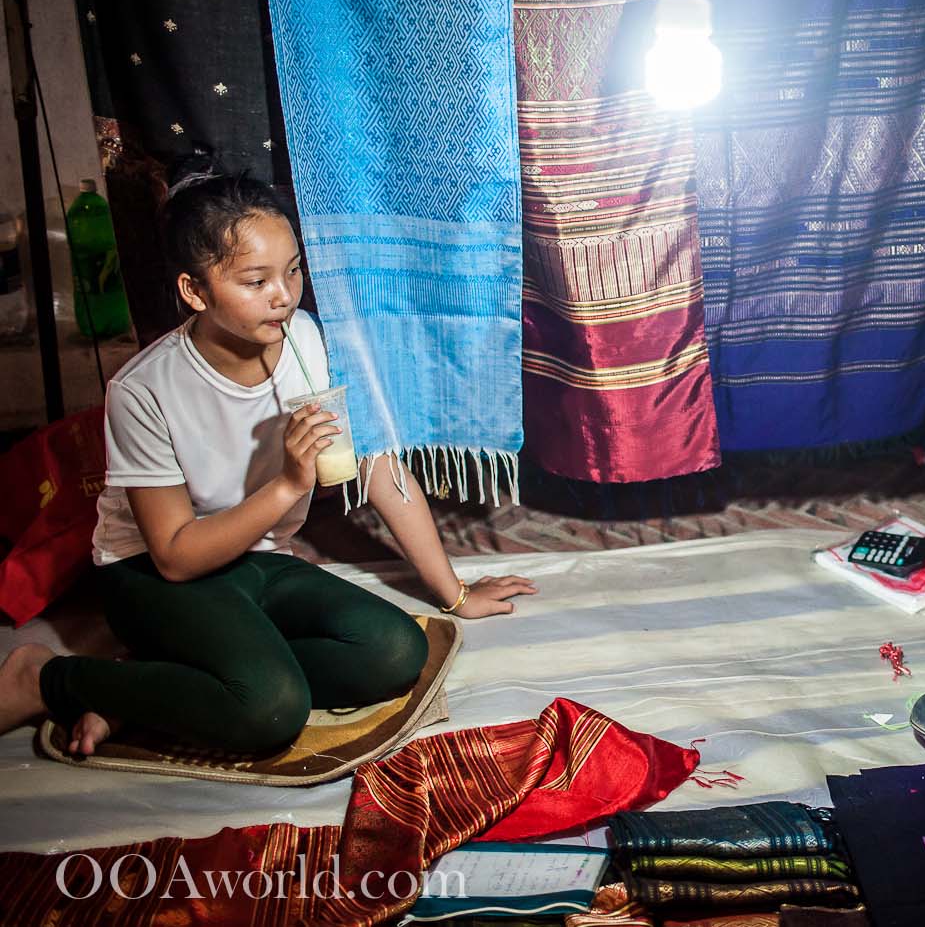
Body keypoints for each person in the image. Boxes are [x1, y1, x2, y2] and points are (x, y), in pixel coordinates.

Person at [0, 173, 536, 757]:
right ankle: (45, 678)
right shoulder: (144, 390)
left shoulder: (307, 340)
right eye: (256, 281)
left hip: (258, 559)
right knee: (271, 712)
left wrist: (454, 593)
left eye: (293, 270)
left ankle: (165, 687)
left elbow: (379, 467)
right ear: (195, 291)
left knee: (394, 653)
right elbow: (174, 557)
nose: (284, 294)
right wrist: (287, 485)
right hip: (151, 576)